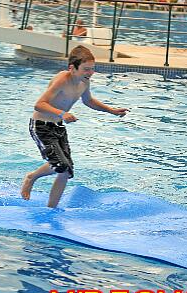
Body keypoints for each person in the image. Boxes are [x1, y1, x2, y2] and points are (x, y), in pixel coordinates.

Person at [21, 45, 129, 208]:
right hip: (41, 126)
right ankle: (32, 177)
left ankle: (51, 209)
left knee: (66, 171)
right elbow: (39, 104)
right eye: (86, 69)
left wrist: (111, 111)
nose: (90, 73)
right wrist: (62, 113)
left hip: (57, 126)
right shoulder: (62, 80)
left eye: (92, 69)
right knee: (62, 166)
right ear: (72, 68)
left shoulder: (84, 82)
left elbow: (88, 101)